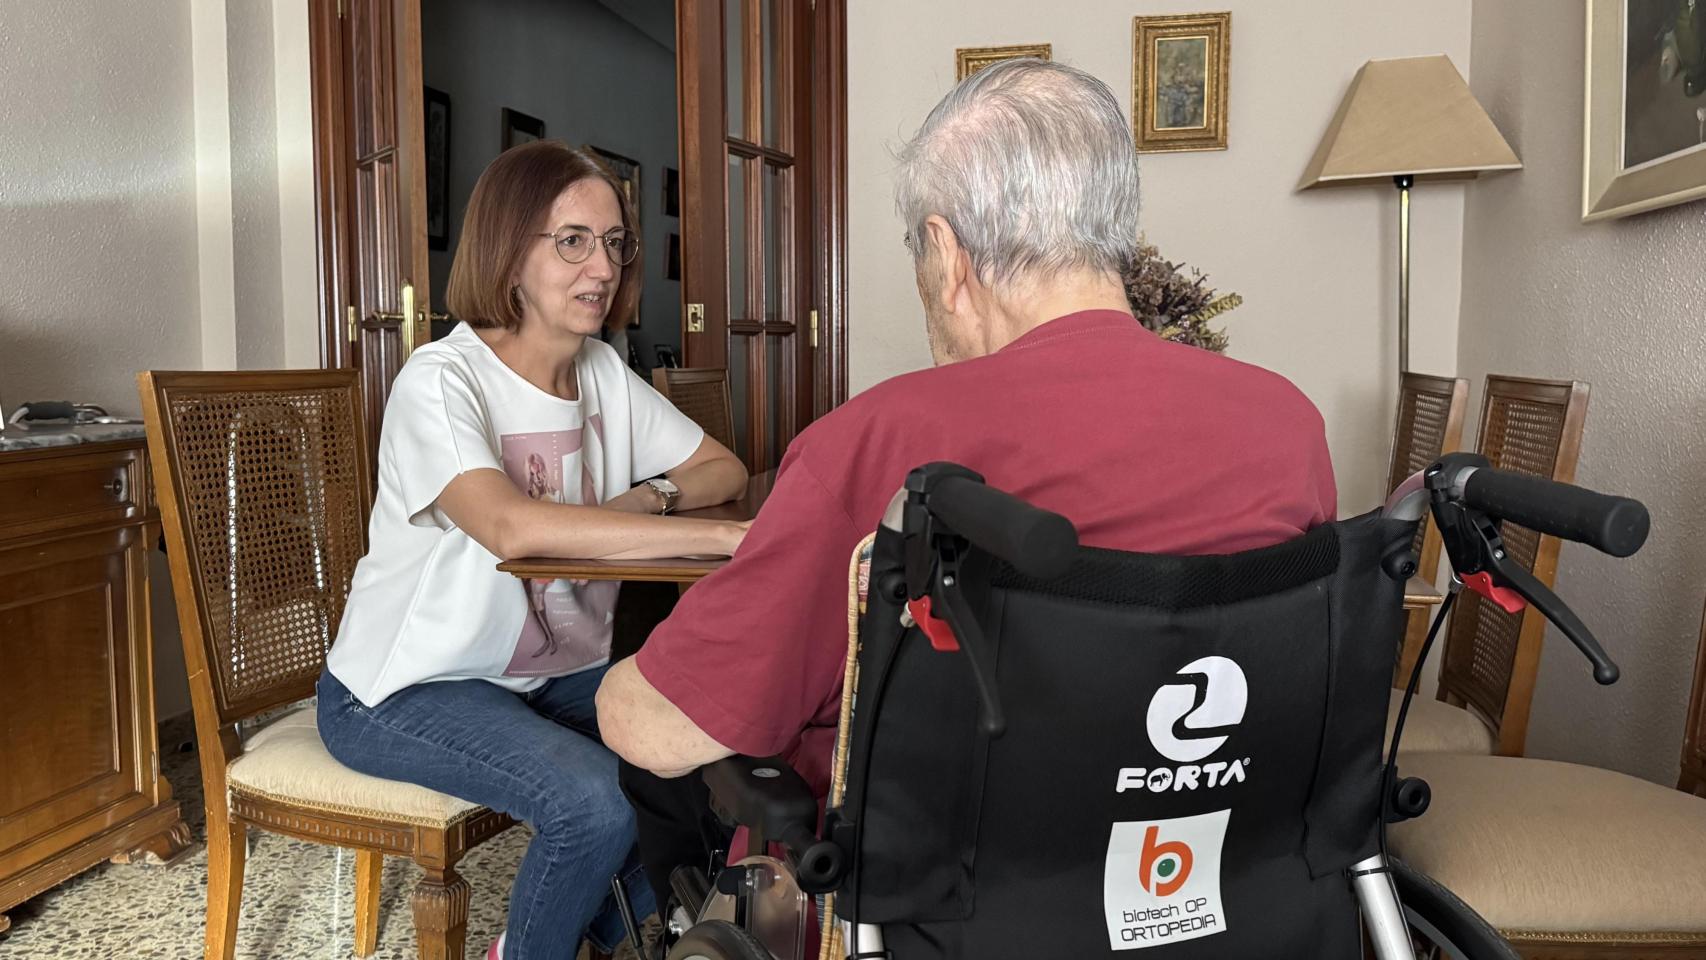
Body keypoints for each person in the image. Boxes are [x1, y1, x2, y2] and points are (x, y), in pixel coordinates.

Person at [594, 58, 1340, 913]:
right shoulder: (1286, 424)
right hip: (1206, 888)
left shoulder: (887, 440)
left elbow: (666, 725)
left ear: (947, 253)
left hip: (953, 905)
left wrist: (618, 687)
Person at [316, 140, 749, 960]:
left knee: (721, 752)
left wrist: (644, 498)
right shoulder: (440, 380)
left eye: (615, 242)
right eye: (573, 240)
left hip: (542, 675)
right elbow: (510, 526)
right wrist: (718, 534)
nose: (604, 265)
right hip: (405, 688)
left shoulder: (602, 372)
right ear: (510, 253)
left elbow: (716, 464)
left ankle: (549, 939)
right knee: (595, 802)